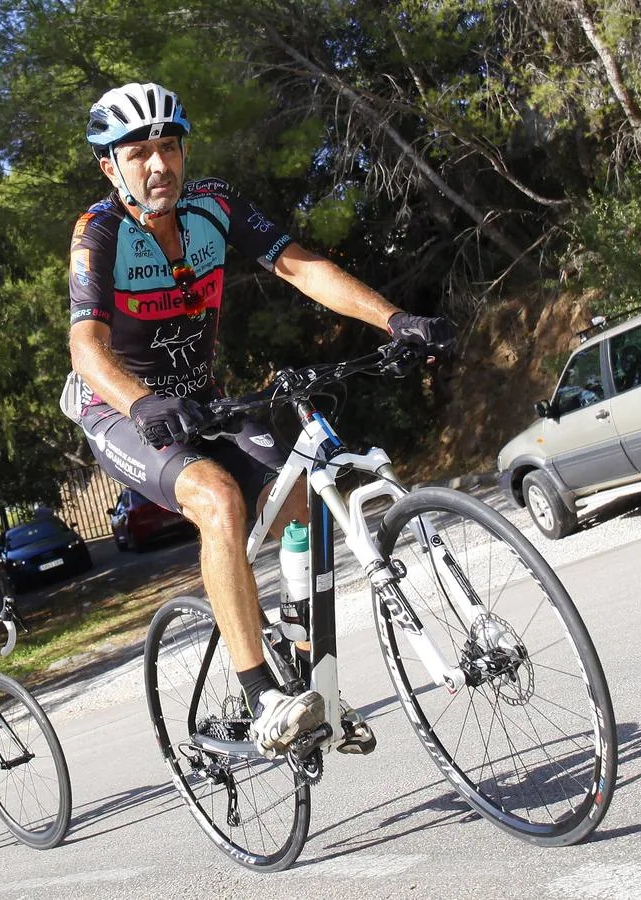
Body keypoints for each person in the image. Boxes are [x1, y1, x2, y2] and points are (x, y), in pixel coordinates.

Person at [64, 82, 454, 757]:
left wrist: (393, 319)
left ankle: (302, 668)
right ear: (110, 166)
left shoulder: (214, 207)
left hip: (203, 397)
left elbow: (304, 269)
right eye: (138, 154)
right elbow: (85, 347)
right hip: (120, 409)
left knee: (301, 497)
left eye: (168, 147)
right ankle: (260, 696)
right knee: (216, 499)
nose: (158, 165)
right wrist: (141, 401)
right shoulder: (99, 232)